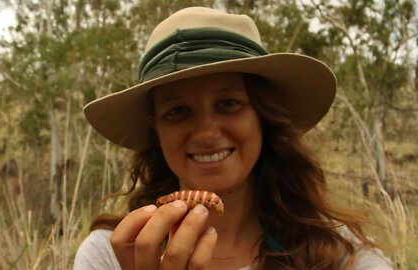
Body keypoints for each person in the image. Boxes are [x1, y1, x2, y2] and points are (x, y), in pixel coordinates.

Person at [74, 6, 392, 270]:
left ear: (262, 116)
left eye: (228, 104)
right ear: (155, 127)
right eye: (177, 112)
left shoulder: (341, 255)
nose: (207, 133)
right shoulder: (113, 253)